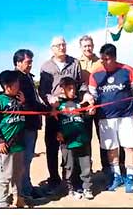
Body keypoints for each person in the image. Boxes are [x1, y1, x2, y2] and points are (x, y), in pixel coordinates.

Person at [39, 36, 93, 194]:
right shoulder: (46, 66)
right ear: (52, 48)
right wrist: (50, 99)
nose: (62, 47)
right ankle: (55, 179)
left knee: (74, 143)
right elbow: (42, 90)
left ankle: (74, 180)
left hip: (72, 108)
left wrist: (86, 95)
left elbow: (81, 84)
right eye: (58, 45)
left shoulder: (75, 62)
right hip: (54, 109)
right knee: (52, 145)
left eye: (63, 44)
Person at [89, 43, 133, 193]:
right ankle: (117, 176)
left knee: (129, 147)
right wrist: (91, 103)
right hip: (106, 118)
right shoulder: (96, 74)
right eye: (102, 59)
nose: (104, 62)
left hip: (126, 116)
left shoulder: (127, 70)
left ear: (114, 57)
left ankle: (130, 177)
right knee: (112, 149)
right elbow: (92, 94)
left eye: (107, 59)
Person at [13, 49, 49, 201]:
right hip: (24, 124)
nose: (30, 65)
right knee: (24, 159)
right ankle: (23, 191)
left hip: (32, 123)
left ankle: (27, 187)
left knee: (27, 158)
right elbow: (27, 102)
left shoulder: (27, 77)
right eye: (28, 62)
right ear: (18, 62)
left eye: (31, 62)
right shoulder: (15, 79)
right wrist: (47, 110)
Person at [0, 70, 28, 208]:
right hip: (6, 144)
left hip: (19, 143)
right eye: (16, 83)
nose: (19, 85)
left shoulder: (19, 98)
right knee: (5, 175)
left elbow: (26, 115)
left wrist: (23, 103)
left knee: (18, 174)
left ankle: (18, 198)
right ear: (7, 85)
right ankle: (3, 202)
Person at [56, 77, 94, 200]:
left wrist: (90, 113)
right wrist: (58, 132)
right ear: (62, 90)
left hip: (82, 139)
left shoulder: (80, 103)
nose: (73, 91)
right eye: (69, 89)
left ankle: (87, 187)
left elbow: (86, 118)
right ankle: (71, 187)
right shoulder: (58, 106)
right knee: (69, 166)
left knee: (85, 164)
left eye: (74, 88)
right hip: (67, 142)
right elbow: (54, 122)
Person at [78, 35, 111, 172]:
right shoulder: (76, 63)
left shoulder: (101, 62)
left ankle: (107, 167)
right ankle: (87, 169)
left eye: (89, 45)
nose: (88, 48)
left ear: (93, 46)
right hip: (84, 105)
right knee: (86, 138)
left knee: (103, 136)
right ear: (81, 48)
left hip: (100, 103)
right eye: (85, 46)